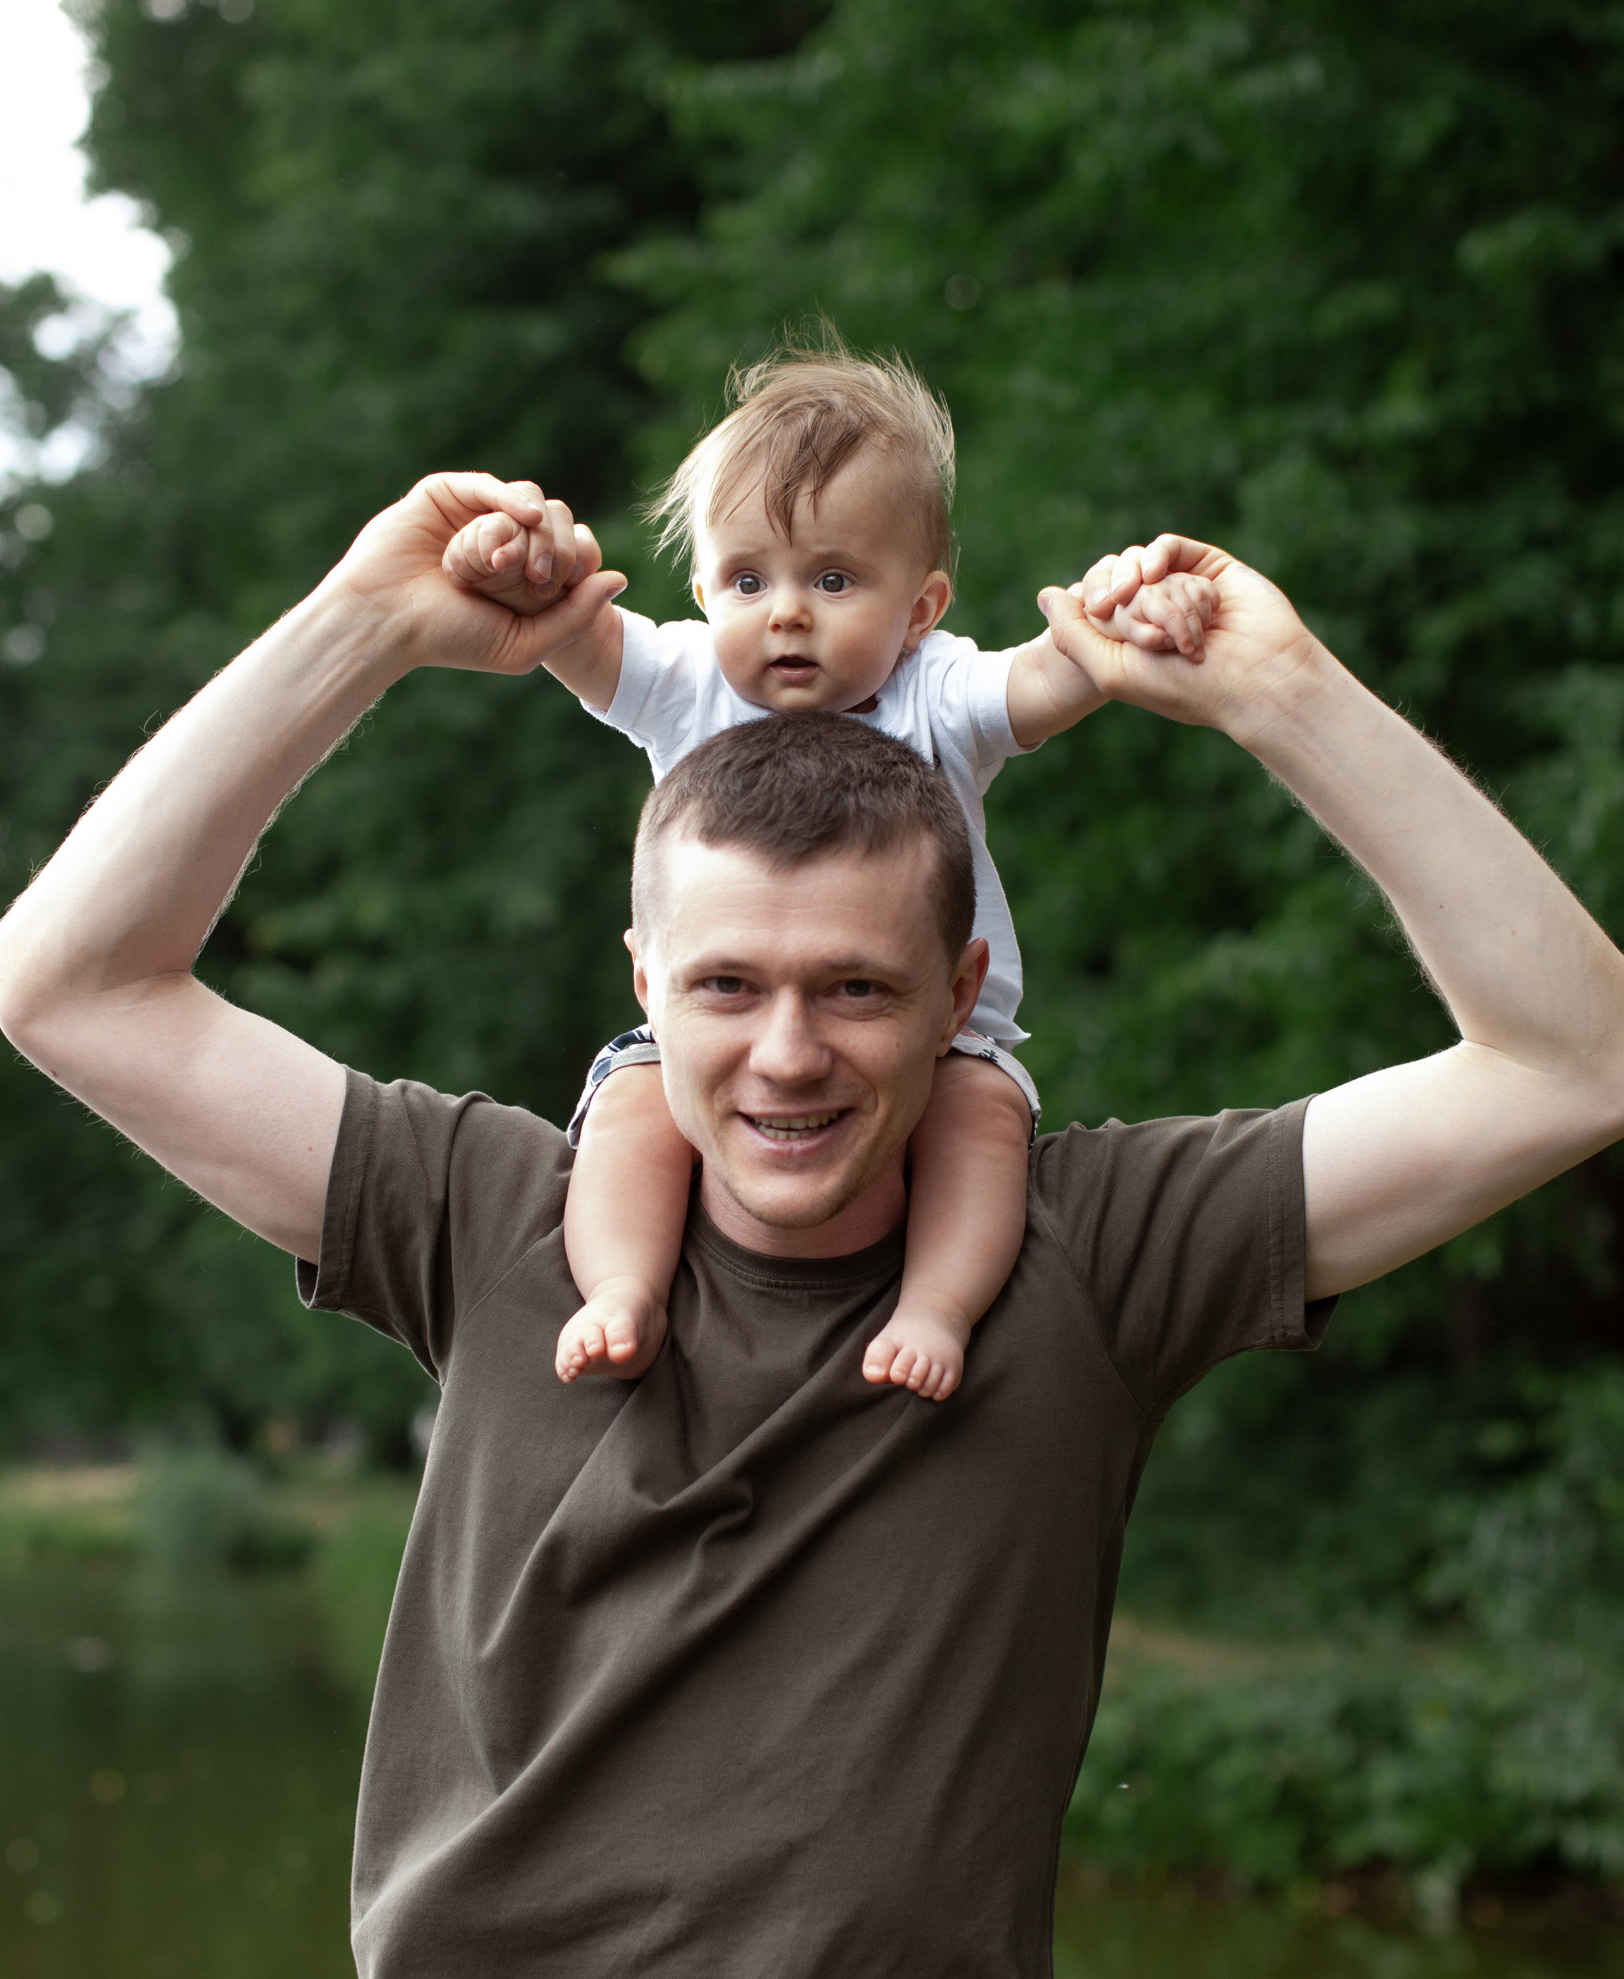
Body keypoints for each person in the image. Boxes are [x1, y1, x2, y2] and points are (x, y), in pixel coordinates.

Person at [0, 469, 1624, 1979]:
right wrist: (360, 625)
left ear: (963, 1000)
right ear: (646, 991)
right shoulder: (488, 1219)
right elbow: (64, 984)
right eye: (728, 987)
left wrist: (1287, 696)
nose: (786, 1054)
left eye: (855, 989)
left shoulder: (1088, 1260)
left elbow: (1587, 1060)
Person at [442, 345, 1218, 1402]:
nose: (787, 613)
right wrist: (514, 563)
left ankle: (936, 1309)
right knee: (628, 1106)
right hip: (713, 1025)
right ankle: (622, 1287)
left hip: (937, 1033)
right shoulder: (681, 680)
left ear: (920, 608)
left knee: (981, 1124)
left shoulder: (933, 693)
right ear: (704, 589)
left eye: (834, 579)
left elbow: (1055, 672)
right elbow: (564, 630)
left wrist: (1125, 620)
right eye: (746, 579)